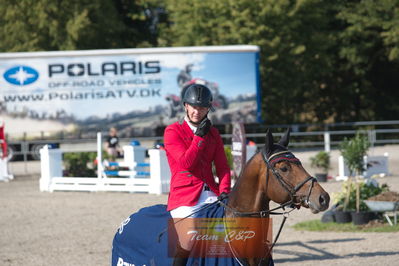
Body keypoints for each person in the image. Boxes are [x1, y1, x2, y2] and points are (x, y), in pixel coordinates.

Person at [163, 84, 231, 265]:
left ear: (208, 108)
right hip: (184, 196)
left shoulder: (214, 133)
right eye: (194, 107)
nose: (197, 112)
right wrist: (199, 137)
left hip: (212, 194)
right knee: (188, 238)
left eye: (202, 108)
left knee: (234, 231)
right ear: (185, 105)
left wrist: (225, 191)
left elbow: (223, 167)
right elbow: (186, 164)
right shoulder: (172, 131)